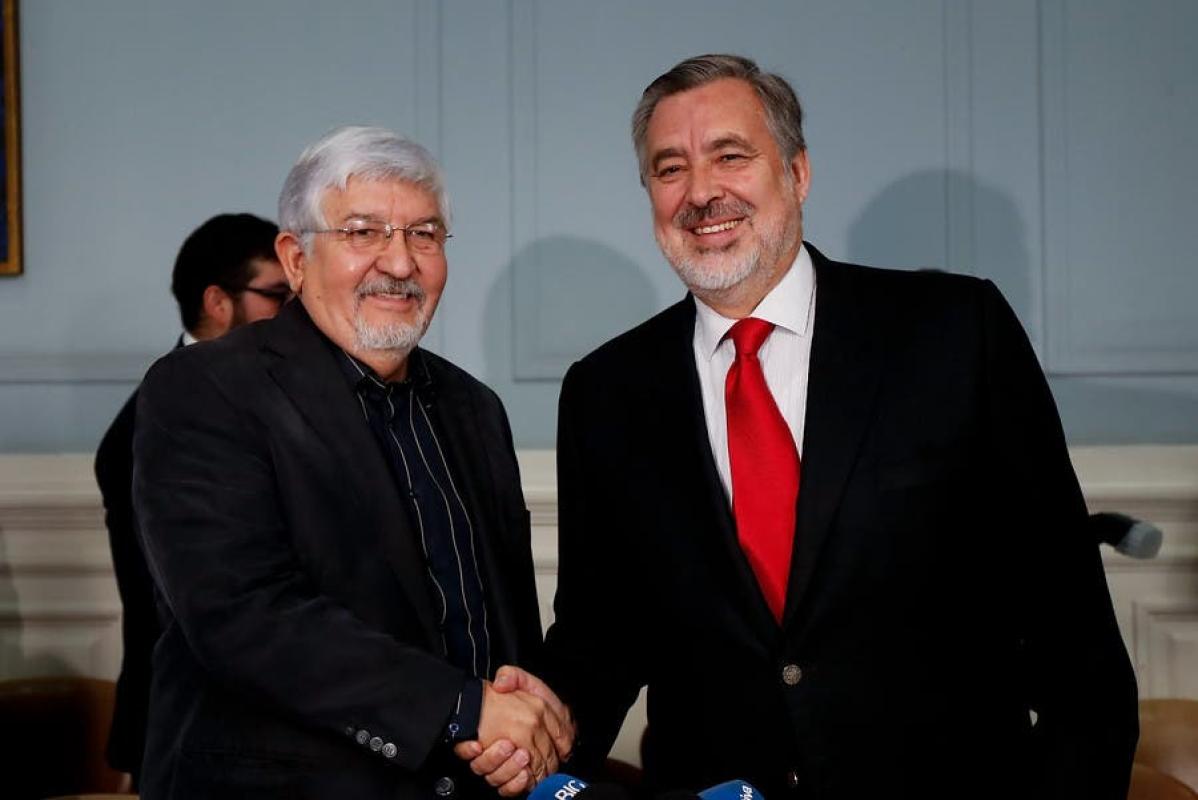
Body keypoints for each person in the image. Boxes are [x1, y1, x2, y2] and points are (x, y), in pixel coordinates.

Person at [526, 54, 1138, 798]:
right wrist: (524, 738)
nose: (701, 192)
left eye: (730, 156)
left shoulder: (954, 334)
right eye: (670, 168)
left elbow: (1077, 646)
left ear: (798, 172)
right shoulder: (605, 392)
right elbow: (598, 643)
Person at [131, 126, 571, 799]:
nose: (399, 262)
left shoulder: (474, 407)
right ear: (295, 258)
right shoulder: (203, 388)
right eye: (363, 233)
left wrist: (520, 724)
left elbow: (496, 620)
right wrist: (462, 707)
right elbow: (244, 615)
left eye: (424, 235)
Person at [95, 212, 289, 788]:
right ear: (217, 302)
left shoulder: (275, 396)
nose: (293, 311)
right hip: (191, 728)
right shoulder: (152, 422)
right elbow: (183, 605)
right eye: (277, 295)